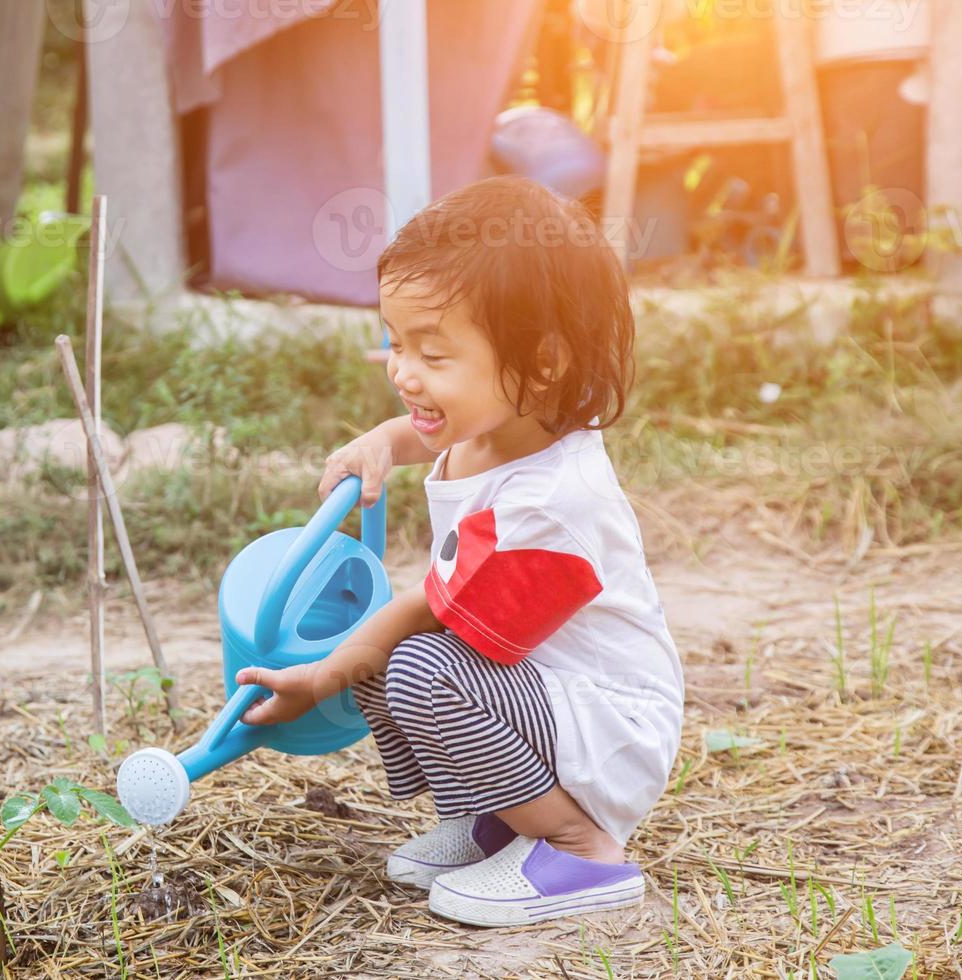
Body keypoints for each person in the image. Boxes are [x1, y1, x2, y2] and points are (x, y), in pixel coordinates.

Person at [235, 175, 685, 927]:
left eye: (433, 355)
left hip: (606, 728)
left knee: (408, 660)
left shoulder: (551, 502)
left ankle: (577, 844)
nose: (402, 371)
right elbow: (442, 430)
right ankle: (498, 819)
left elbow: (433, 612)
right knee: (392, 649)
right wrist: (383, 438)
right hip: (541, 695)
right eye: (394, 341)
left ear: (541, 363)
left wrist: (324, 675)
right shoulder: (508, 421)